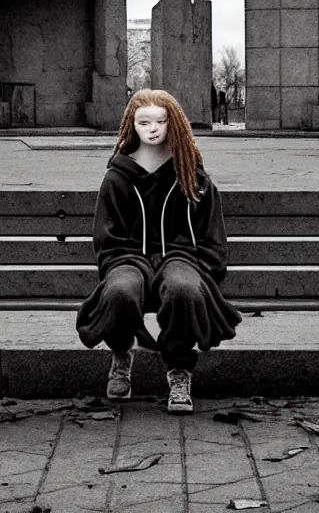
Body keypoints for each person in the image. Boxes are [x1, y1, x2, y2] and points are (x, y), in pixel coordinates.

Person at [76, 89, 241, 413]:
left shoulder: (192, 176)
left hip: (180, 258)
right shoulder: (117, 177)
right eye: (143, 122)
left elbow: (212, 237)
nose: (152, 128)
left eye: (161, 121)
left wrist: (201, 267)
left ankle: (179, 368)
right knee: (121, 290)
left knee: (183, 289)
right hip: (127, 257)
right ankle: (122, 352)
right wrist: (123, 264)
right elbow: (106, 241)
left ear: (173, 124)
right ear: (131, 125)